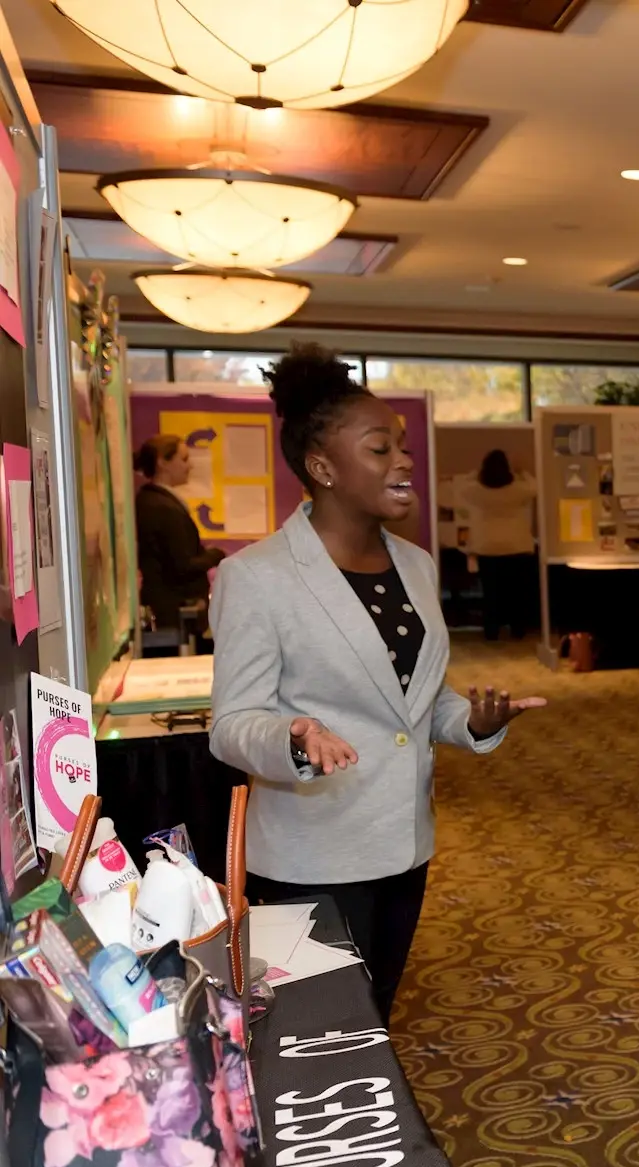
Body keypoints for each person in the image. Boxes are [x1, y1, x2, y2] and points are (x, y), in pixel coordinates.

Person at [209, 345, 545, 1021]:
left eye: (401, 446)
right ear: (323, 467)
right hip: (312, 851)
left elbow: (415, 702)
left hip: (403, 841)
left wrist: (472, 722)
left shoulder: (417, 567)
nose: (403, 460)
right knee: (311, 1031)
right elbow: (231, 724)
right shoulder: (259, 577)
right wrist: (294, 738)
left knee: (373, 1012)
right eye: (379, 448)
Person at [133, 433, 224, 635]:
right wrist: (215, 555)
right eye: (183, 459)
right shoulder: (162, 507)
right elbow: (182, 566)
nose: (189, 466)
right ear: (162, 463)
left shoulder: (153, 501)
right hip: (174, 617)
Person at [457, 448, 538, 641]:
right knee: (517, 592)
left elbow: (460, 485)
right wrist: (522, 472)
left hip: (487, 547)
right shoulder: (517, 490)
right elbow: (534, 487)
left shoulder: (476, 490)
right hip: (516, 547)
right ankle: (518, 629)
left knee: (491, 592)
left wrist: (476, 472)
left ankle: (491, 631)